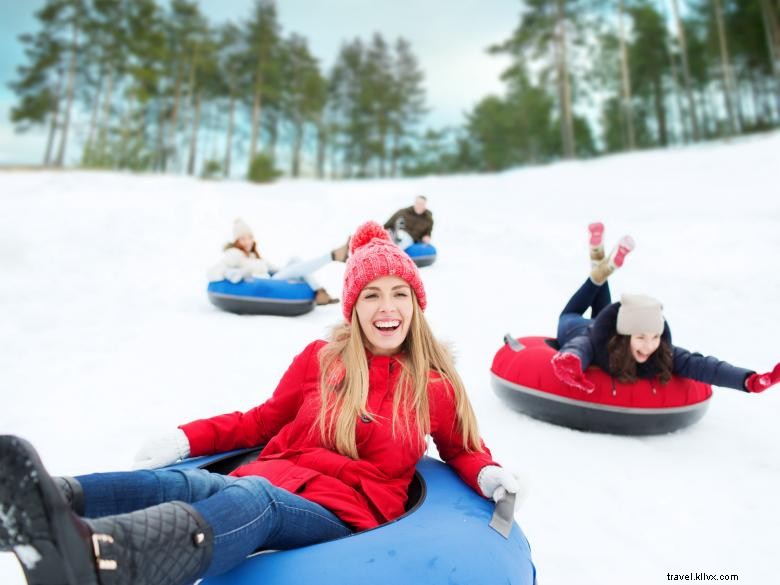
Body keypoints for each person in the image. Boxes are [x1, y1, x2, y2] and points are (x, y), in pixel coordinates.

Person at [0, 221, 521, 585]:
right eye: (372, 295)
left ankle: (102, 560)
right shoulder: (323, 358)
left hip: (343, 512)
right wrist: (187, 437)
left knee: (255, 501)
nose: (387, 308)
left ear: (416, 302)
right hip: (277, 473)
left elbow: (462, 448)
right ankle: (40, 503)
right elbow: (261, 421)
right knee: (186, 482)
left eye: (399, 293)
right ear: (354, 306)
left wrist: (489, 474)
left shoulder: (434, 385)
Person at [550, 222, 780, 394]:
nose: (649, 345)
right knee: (574, 308)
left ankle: (600, 260)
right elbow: (578, 348)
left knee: (600, 292)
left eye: (655, 336)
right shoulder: (594, 343)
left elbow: (701, 365)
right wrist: (570, 361)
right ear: (625, 335)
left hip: (607, 323)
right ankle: (600, 265)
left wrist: (749, 380)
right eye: (641, 337)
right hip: (573, 326)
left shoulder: (659, 352)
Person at [207, 218, 348, 306]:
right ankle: (332, 256)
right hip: (263, 284)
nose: (247, 241)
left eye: (249, 237)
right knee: (295, 268)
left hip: (272, 279)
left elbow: (275, 269)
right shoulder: (235, 254)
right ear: (237, 241)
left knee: (295, 260)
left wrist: (291, 270)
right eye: (242, 239)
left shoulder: (254, 256)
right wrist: (231, 273)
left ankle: (319, 291)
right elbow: (214, 270)